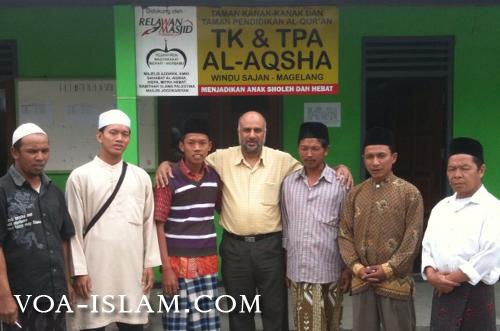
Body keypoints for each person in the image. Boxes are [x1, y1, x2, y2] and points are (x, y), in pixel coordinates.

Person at [155, 111, 353, 331]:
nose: (252, 135)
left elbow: (313, 167)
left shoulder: (282, 160)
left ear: (265, 133)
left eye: (257, 130)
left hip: (270, 248)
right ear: (238, 132)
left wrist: (340, 168)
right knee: (240, 312)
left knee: (275, 310)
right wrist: (166, 164)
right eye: (247, 130)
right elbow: (191, 158)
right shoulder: (220, 158)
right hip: (234, 249)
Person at [66, 109, 161, 331]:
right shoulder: (80, 176)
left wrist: (149, 264)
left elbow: (148, 224)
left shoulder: (140, 177)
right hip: (94, 271)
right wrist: (79, 271)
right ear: (99, 136)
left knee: (133, 325)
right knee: (92, 324)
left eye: (125, 134)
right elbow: (74, 228)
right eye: (113, 132)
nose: (120, 139)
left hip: (132, 269)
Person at [338, 127, 424, 331]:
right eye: (369, 157)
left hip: (395, 281)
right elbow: (344, 233)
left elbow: (413, 237)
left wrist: (388, 268)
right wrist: (356, 267)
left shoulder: (410, 193)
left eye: (381, 156)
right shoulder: (355, 194)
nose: (375, 162)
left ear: (393, 157)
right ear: (363, 158)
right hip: (362, 279)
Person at [0, 123, 75, 330]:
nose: (40, 157)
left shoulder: (54, 192)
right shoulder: (3, 192)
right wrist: (4, 296)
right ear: (14, 152)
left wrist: (67, 283)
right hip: (21, 298)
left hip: (55, 294)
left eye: (45, 150)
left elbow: (63, 238)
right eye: (32, 151)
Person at [421, 137, 500, 331]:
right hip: (442, 291)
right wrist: (431, 274)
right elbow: (427, 246)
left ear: (481, 170)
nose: (457, 175)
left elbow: (491, 253)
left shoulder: (493, 207)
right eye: (451, 169)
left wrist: (451, 278)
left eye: (464, 168)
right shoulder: (442, 207)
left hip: (475, 293)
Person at [281, 122, 350, 331]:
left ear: (326, 150)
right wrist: (285, 264)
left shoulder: (341, 184)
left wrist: (347, 267)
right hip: (298, 270)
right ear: (298, 149)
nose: (309, 154)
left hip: (330, 270)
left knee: (331, 324)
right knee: (305, 325)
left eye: (315, 148)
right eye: (304, 148)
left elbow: (347, 228)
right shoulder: (289, 183)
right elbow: (286, 226)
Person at [154, 119, 222, 331]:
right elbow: (158, 225)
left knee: (207, 323)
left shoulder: (215, 176)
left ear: (210, 146)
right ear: (181, 146)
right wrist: (165, 269)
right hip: (176, 266)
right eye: (191, 143)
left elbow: (222, 209)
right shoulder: (168, 177)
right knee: (177, 325)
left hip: (207, 264)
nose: (197, 148)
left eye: (202, 143)